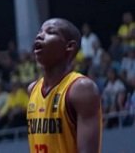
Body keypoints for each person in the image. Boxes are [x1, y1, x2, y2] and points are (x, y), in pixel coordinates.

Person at [27, 18, 102, 153]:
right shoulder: (32, 90)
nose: (40, 35)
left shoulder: (81, 89)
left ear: (69, 47)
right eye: (40, 32)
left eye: (50, 32)